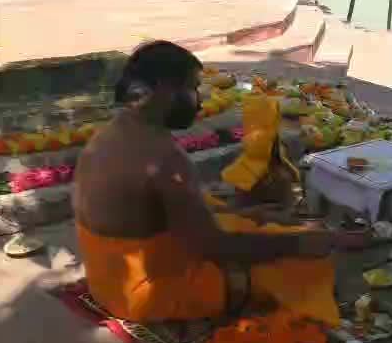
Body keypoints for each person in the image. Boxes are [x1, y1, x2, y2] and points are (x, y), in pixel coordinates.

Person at [73, 40, 340, 326]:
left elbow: (160, 217)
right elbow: (215, 247)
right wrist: (300, 243)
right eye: (193, 88)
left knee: (237, 218)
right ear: (164, 89)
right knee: (306, 266)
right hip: (145, 295)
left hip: (106, 281)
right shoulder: (164, 159)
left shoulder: (108, 134)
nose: (199, 101)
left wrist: (246, 216)